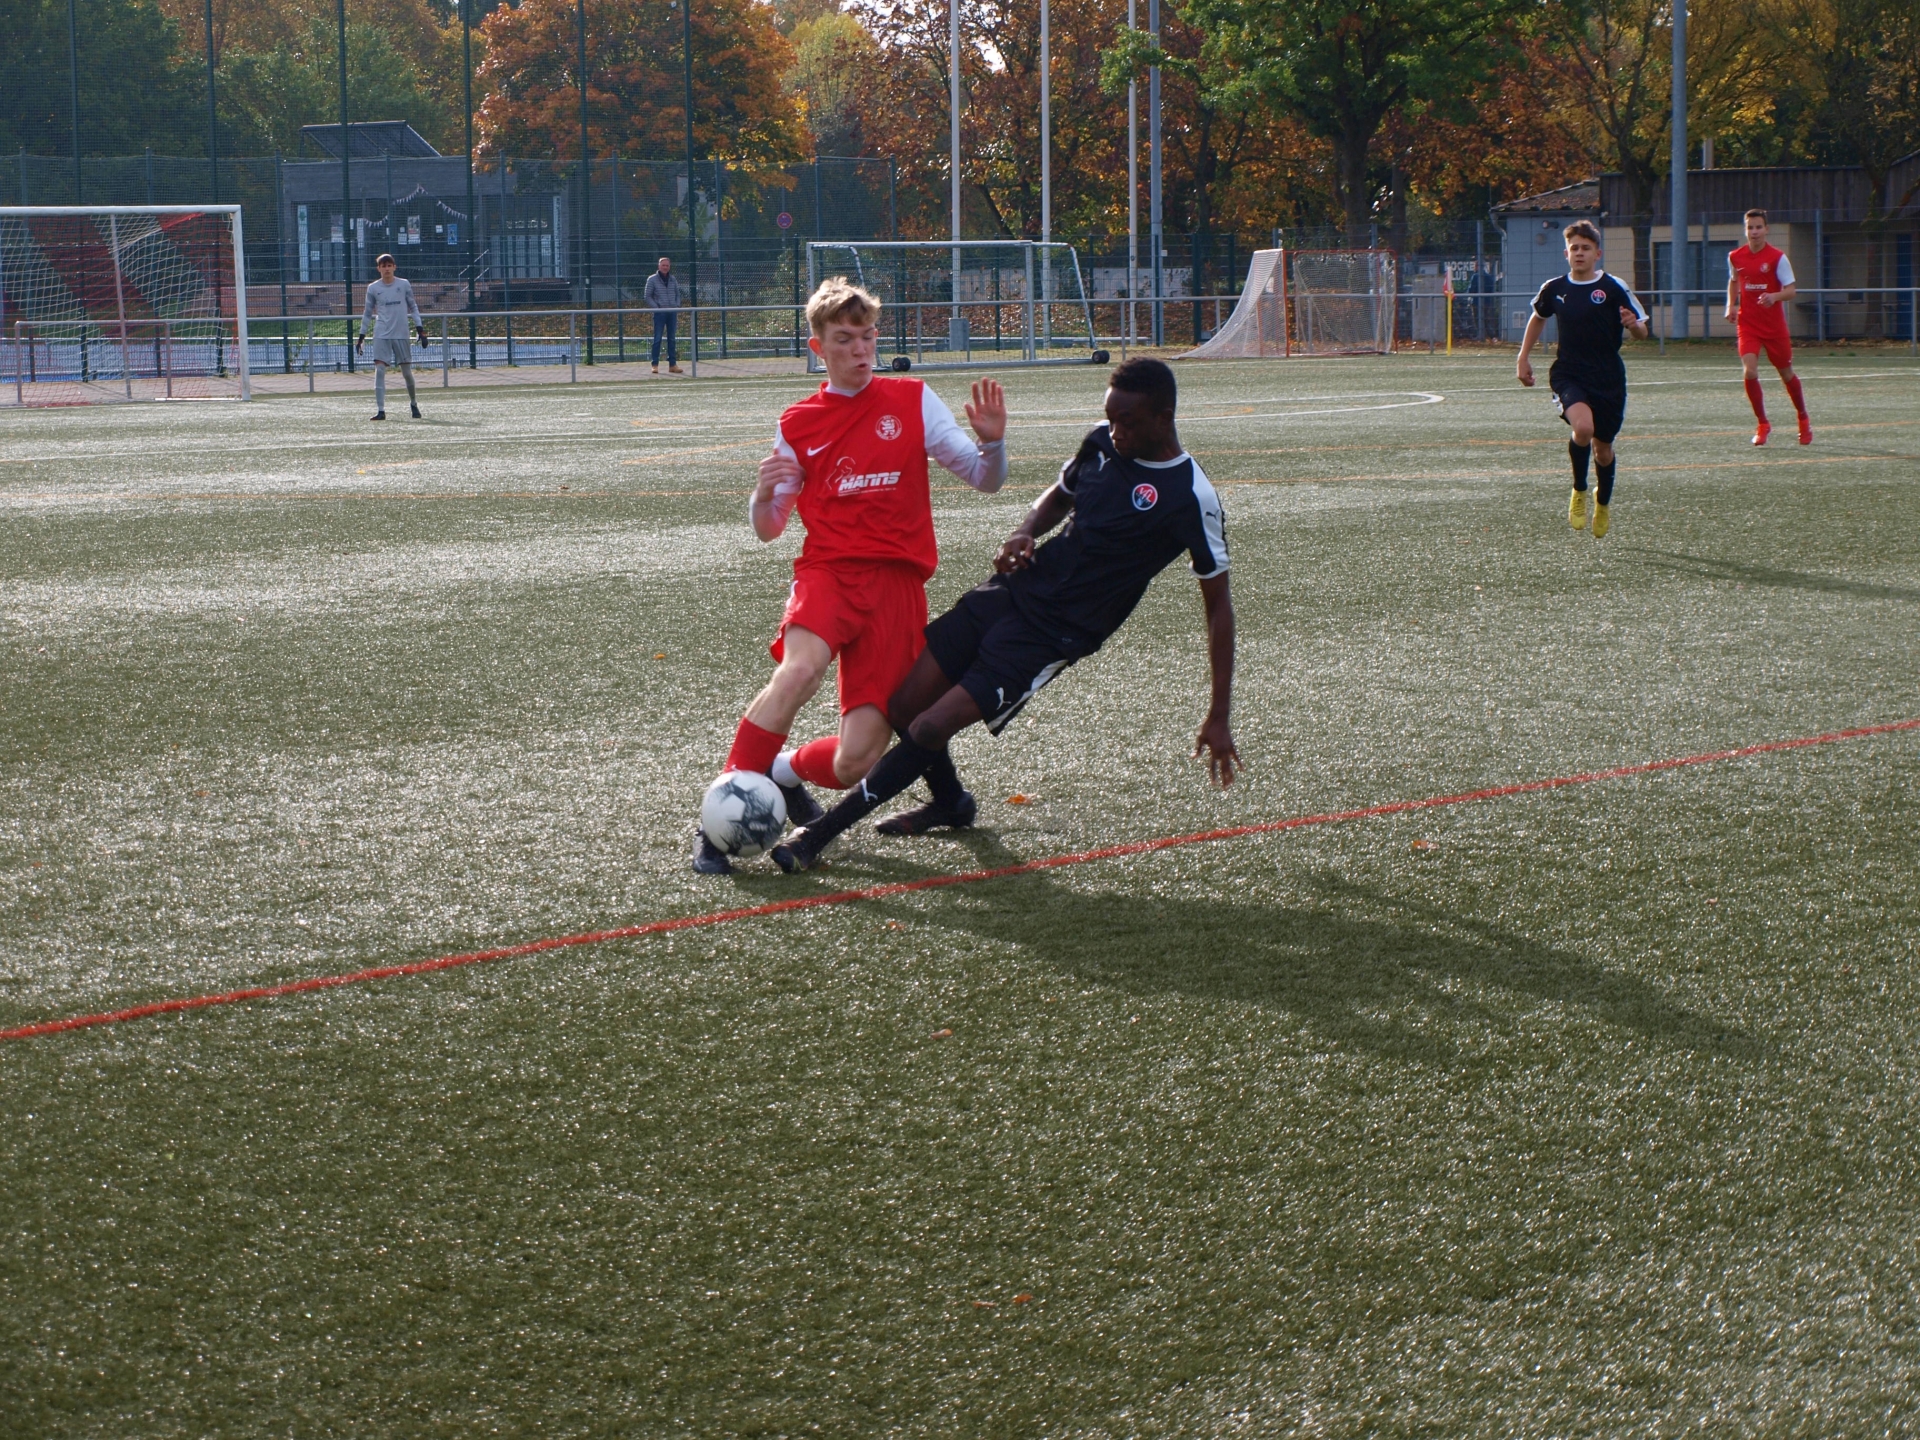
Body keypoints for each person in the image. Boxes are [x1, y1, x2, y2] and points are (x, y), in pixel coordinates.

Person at [769, 356, 1237, 875]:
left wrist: (1218, 713)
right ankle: (950, 802)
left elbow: (1219, 607)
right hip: (1011, 592)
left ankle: (817, 834)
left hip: (1053, 634)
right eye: (1111, 419)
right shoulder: (1102, 442)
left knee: (929, 726)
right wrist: (1025, 531)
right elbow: (1060, 496)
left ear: (1164, 417)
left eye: (1127, 422)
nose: (1116, 432)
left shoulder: (1191, 496)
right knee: (902, 705)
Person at [694, 276, 1010, 873]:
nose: (861, 350)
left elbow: (984, 479)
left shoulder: (913, 400)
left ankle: (782, 772)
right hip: (830, 574)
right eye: (845, 339)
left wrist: (992, 446)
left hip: (896, 589)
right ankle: (716, 821)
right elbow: (769, 527)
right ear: (819, 347)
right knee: (799, 671)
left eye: (867, 337)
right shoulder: (799, 423)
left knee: (854, 762)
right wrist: (761, 497)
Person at [1517, 220, 1650, 539]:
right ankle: (1579, 489)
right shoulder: (1554, 288)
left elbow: (1643, 331)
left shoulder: (1614, 287)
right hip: (1569, 373)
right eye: (1574, 248)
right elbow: (1538, 317)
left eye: (1586, 248)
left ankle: (1602, 503)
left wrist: (1634, 325)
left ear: (1597, 254)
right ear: (1566, 253)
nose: (1579, 253)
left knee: (1603, 450)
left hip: (1607, 377)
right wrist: (1523, 357)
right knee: (1584, 429)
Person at [1725, 208, 1811, 446]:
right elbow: (1734, 281)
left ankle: (1803, 418)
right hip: (1748, 325)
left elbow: (1791, 291)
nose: (1754, 232)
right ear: (1745, 230)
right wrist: (1730, 305)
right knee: (1750, 371)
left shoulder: (1777, 258)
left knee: (1786, 373)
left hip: (1774, 328)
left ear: (1766, 229)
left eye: (1758, 227)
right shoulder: (1735, 257)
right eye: (1750, 227)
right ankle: (1762, 423)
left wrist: (1774, 296)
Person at [356, 253, 427, 421]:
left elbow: (413, 307)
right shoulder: (373, 288)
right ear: (378, 269)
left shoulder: (404, 284)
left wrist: (420, 330)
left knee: (406, 372)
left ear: (394, 267)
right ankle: (381, 410)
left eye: (389, 265)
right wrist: (361, 336)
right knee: (380, 369)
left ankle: (413, 403)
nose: (387, 269)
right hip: (382, 333)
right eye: (383, 266)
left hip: (401, 333)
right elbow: (367, 313)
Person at [645, 256, 682, 375]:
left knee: (672, 338)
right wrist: (657, 308)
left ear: (669, 266)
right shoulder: (652, 279)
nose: (665, 267)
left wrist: (676, 305)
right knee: (657, 338)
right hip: (659, 313)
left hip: (672, 313)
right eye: (663, 265)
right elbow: (647, 296)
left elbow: (677, 294)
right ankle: (655, 365)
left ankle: (673, 365)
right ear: (659, 266)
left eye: (667, 265)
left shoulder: (673, 279)